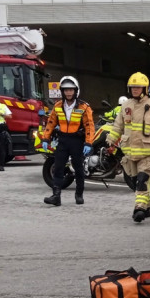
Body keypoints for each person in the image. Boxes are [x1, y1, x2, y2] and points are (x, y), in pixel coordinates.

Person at [106, 72, 150, 223]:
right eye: (132, 87)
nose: (135, 90)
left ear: (145, 88)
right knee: (136, 182)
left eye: (138, 87)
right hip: (129, 152)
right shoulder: (126, 105)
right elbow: (118, 126)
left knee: (143, 179)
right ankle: (146, 206)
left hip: (147, 152)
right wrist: (111, 140)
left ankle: (139, 208)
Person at [41, 76, 95, 205]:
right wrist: (45, 138)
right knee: (58, 167)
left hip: (77, 141)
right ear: (62, 91)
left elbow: (89, 126)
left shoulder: (84, 107)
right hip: (63, 140)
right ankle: (56, 196)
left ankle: (79, 194)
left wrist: (88, 142)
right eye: (66, 90)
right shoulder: (58, 105)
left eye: (71, 90)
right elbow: (51, 122)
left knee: (78, 168)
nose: (68, 92)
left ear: (76, 91)